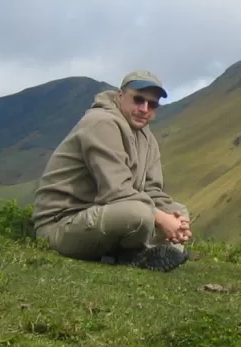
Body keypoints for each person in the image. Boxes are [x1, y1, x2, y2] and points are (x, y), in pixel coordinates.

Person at [32, 70, 192, 271]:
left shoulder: (147, 138)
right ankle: (138, 255)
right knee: (139, 214)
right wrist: (160, 218)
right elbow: (116, 191)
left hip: (104, 216)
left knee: (177, 210)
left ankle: (158, 254)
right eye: (138, 100)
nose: (144, 109)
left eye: (152, 104)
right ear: (120, 96)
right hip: (62, 223)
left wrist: (175, 220)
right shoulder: (101, 123)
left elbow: (152, 191)